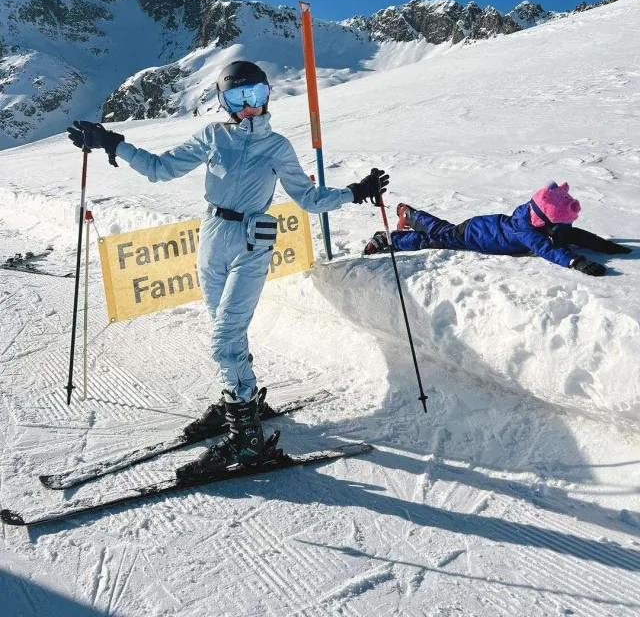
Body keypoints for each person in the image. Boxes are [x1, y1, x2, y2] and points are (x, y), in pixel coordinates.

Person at [67, 60, 388, 476]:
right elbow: (160, 170)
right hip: (212, 236)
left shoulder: (277, 147)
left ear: (268, 95)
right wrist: (114, 143)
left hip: (251, 244)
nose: (250, 105)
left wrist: (354, 191)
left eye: (257, 95)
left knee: (224, 339)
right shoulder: (212, 135)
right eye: (239, 97)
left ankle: (248, 441)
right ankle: (243, 398)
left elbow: (307, 199)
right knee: (224, 328)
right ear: (224, 101)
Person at [364, 181, 632, 276]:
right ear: (544, 220)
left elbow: (572, 235)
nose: (562, 229)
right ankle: (390, 239)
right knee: (432, 239)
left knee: (439, 231)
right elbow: (547, 250)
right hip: (473, 235)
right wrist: (576, 262)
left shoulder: (535, 221)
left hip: (481, 226)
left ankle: (410, 214)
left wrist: (604, 246)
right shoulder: (525, 232)